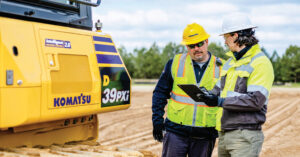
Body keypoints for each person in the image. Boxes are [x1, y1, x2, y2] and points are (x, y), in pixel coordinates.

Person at [198, 13, 274, 157]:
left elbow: (255, 101)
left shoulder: (260, 63)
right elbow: (219, 89)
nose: (225, 42)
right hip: (225, 133)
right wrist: (206, 94)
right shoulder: (230, 63)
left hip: (245, 136)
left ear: (235, 35)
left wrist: (219, 101)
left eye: (226, 37)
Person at [152, 23, 223, 157]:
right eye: (191, 45)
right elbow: (160, 93)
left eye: (199, 44)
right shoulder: (175, 63)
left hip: (205, 135)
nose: (196, 48)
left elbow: (229, 100)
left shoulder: (222, 67)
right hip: (176, 132)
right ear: (186, 46)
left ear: (207, 42)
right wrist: (157, 121)